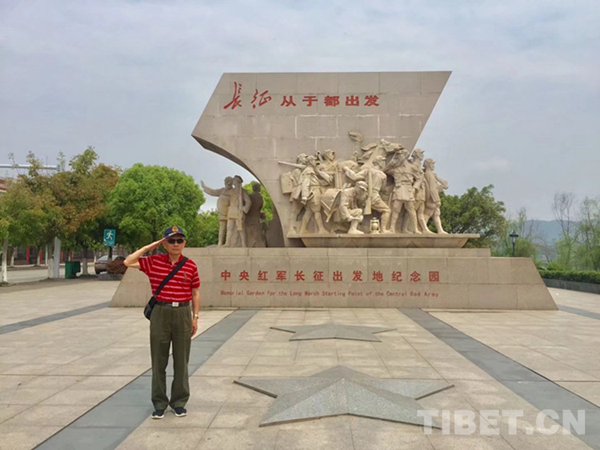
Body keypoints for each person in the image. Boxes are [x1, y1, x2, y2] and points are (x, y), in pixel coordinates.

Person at [124, 226, 200, 419]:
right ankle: (159, 403)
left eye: (179, 240)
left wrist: (195, 317)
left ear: (184, 243)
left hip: (183, 312)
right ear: (164, 244)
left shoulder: (190, 265)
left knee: (182, 360)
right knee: (159, 360)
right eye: (171, 241)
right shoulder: (154, 262)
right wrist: (149, 247)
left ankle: (179, 402)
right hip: (160, 312)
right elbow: (128, 261)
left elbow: (195, 292)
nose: (176, 244)